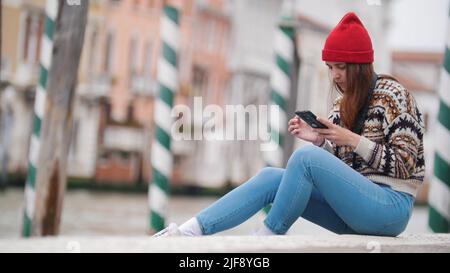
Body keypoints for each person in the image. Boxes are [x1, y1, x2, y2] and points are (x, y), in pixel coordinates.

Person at [153, 12, 425, 237]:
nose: (335, 75)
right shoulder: (342, 105)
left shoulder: (395, 95)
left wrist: (351, 139)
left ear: (361, 65)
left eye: (340, 66)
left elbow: (404, 165)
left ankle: (266, 239)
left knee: (306, 158)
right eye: (330, 67)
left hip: (391, 208)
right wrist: (322, 142)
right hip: (352, 211)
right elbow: (348, 171)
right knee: (271, 176)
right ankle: (189, 232)